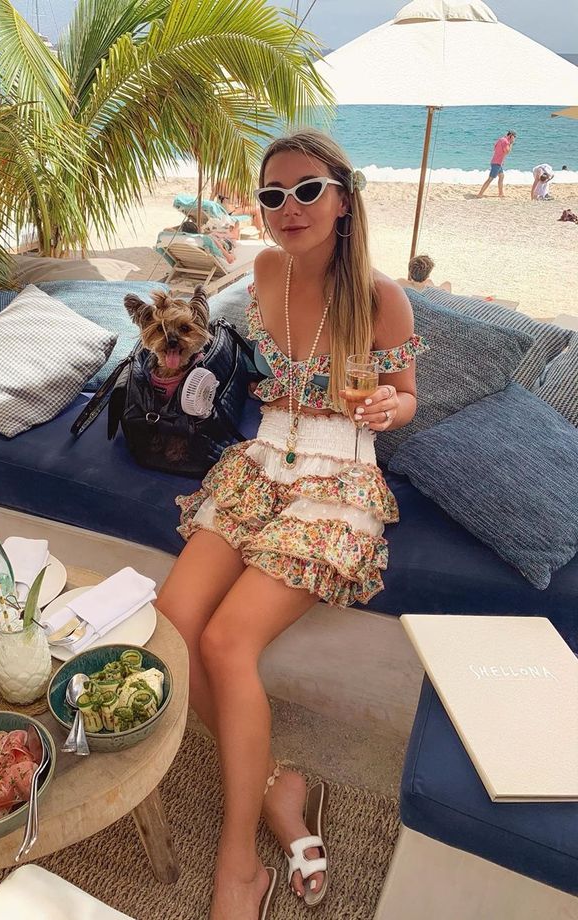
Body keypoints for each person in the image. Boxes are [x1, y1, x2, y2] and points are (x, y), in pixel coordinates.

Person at [158, 129, 427, 920]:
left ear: (343, 198)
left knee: (225, 641)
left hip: (339, 474)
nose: (288, 208)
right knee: (174, 621)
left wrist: (389, 404)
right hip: (262, 458)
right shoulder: (265, 271)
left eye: (307, 189)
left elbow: (405, 394)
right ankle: (278, 781)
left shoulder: (381, 297)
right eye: (272, 195)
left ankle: (239, 861)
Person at [477, 130, 516, 198]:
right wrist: (511, 143)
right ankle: (480, 193)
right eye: (514, 137)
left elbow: (495, 148)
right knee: (490, 179)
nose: (514, 138)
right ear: (510, 136)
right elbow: (507, 152)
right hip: (497, 163)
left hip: (496, 162)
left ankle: (501, 193)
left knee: (501, 176)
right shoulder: (506, 142)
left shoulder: (501, 139)